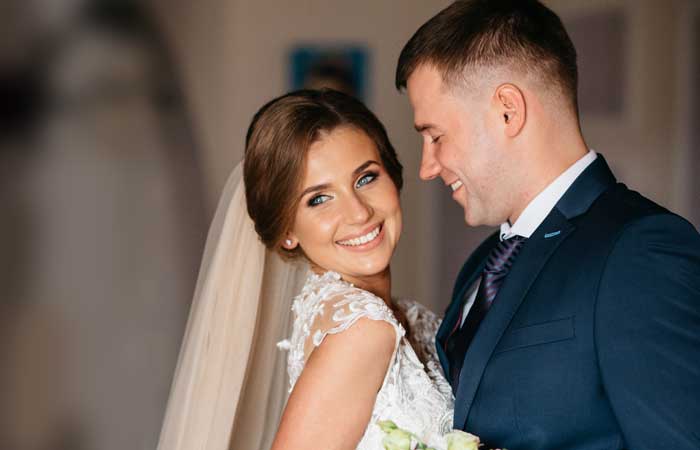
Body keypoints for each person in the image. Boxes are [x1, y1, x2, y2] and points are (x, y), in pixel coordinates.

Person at [395, 1, 700, 449]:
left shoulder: (640, 250)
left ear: (508, 110)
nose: (427, 166)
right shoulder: (483, 264)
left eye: (436, 136)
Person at [157, 89, 454, 450]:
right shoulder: (362, 331)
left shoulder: (405, 317)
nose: (358, 213)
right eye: (318, 199)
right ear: (286, 232)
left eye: (366, 178)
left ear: (394, 176)